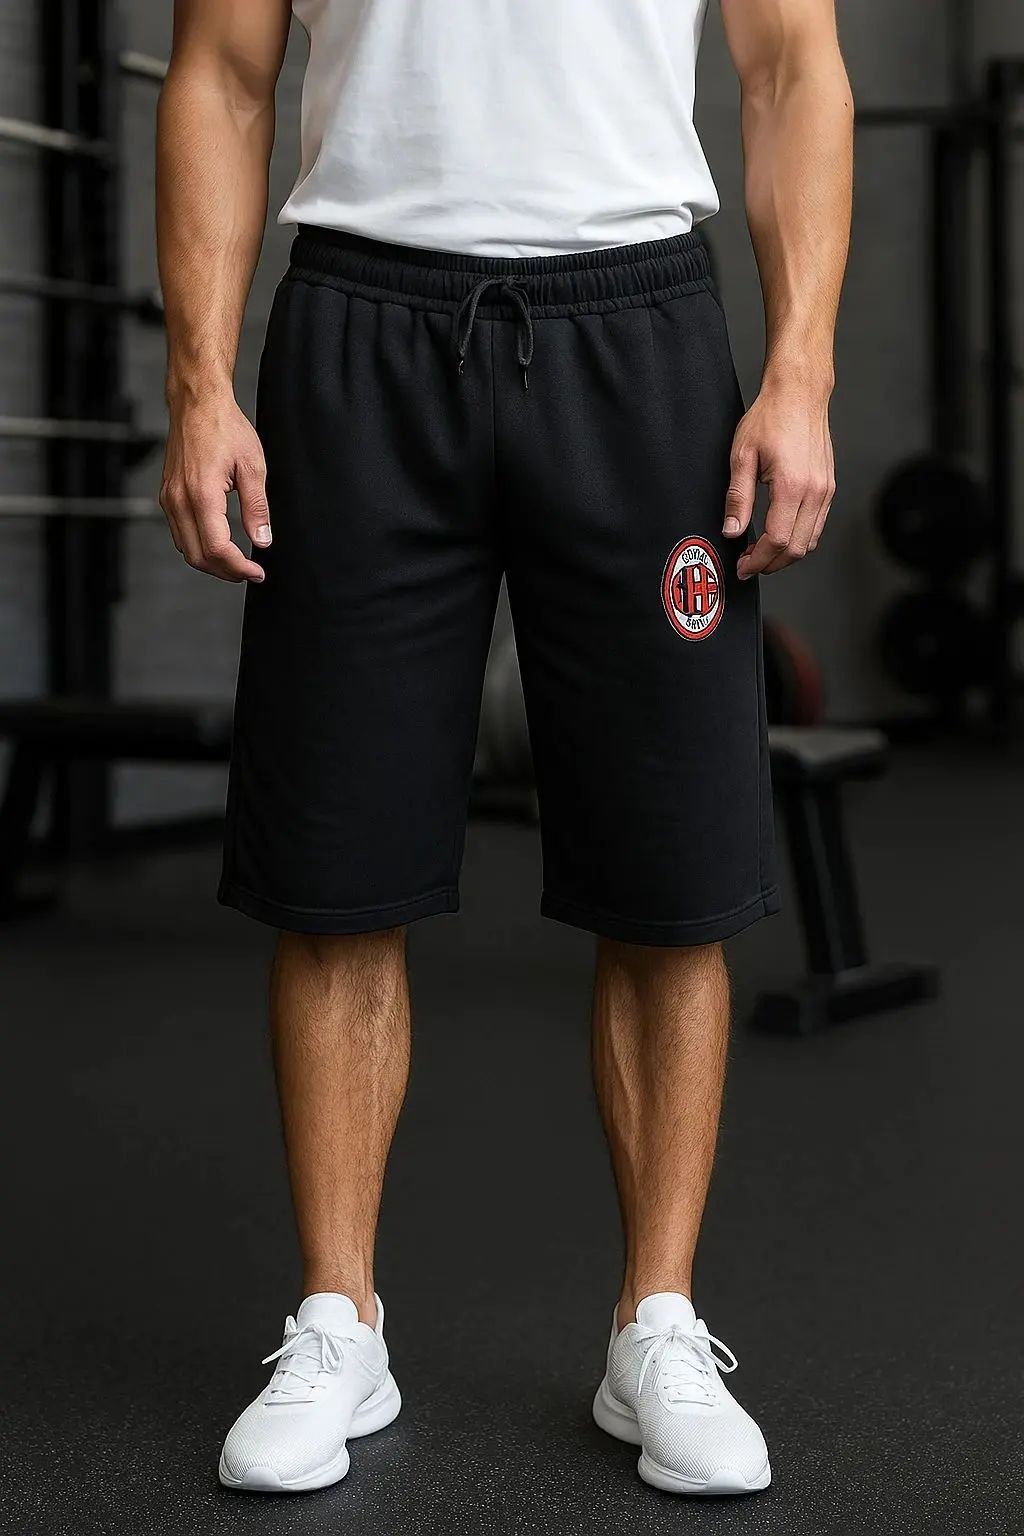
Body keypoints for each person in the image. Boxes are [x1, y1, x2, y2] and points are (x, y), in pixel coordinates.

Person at [156, 0, 852, 1498]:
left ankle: (656, 1325)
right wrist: (201, 385)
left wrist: (800, 373)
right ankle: (340, 1322)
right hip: (362, 331)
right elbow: (221, 71)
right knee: (336, 867)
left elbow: (793, 65)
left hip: (638, 333)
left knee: (670, 878)